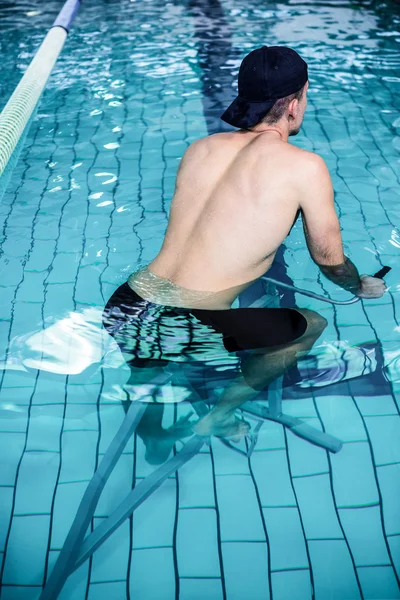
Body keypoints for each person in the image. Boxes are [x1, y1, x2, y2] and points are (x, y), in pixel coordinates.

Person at [103, 46, 386, 444]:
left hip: (125, 305)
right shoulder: (305, 167)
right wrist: (359, 286)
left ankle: (152, 440)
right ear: (294, 102)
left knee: (145, 371)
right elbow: (330, 261)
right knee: (311, 325)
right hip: (186, 325)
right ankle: (219, 416)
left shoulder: (200, 149)